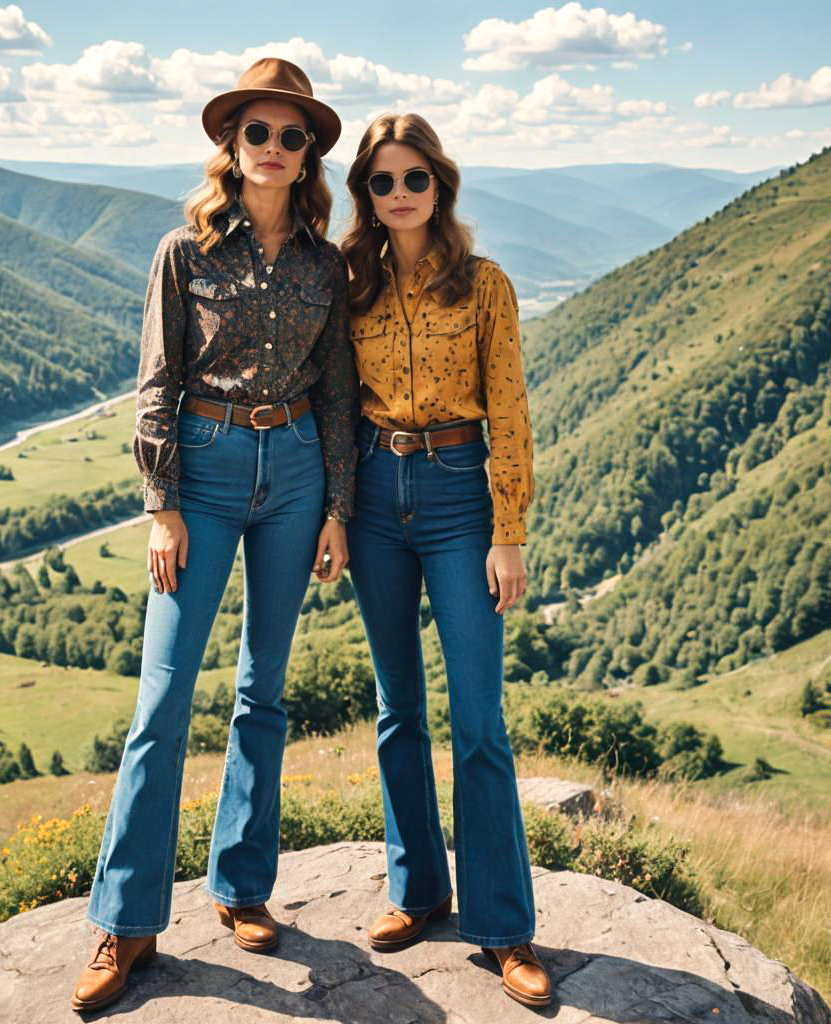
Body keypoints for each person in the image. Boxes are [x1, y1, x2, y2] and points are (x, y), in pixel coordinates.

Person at [71, 57, 357, 1013]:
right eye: (257, 133)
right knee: (161, 701)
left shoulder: (326, 263)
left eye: (292, 135)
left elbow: (337, 396)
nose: (274, 148)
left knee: (261, 693)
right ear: (230, 146)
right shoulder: (183, 251)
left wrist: (335, 511)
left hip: (297, 474)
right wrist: (161, 505)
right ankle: (126, 922)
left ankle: (241, 888)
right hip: (204, 463)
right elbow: (157, 381)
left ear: (309, 151)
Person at [339, 112, 551, 1008]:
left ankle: (502, 927)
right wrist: (338, 514)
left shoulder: (486, 286)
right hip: (377, 494)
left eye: (412, 180)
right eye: (380, 182)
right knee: (397, 708)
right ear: (365, 193)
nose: (397, 195)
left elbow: (511, 411)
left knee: (479, 717)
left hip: (465, 491)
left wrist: (511, 532)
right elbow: (334, 409)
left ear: (441, 185)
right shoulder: (345, 283)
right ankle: (417, 889)